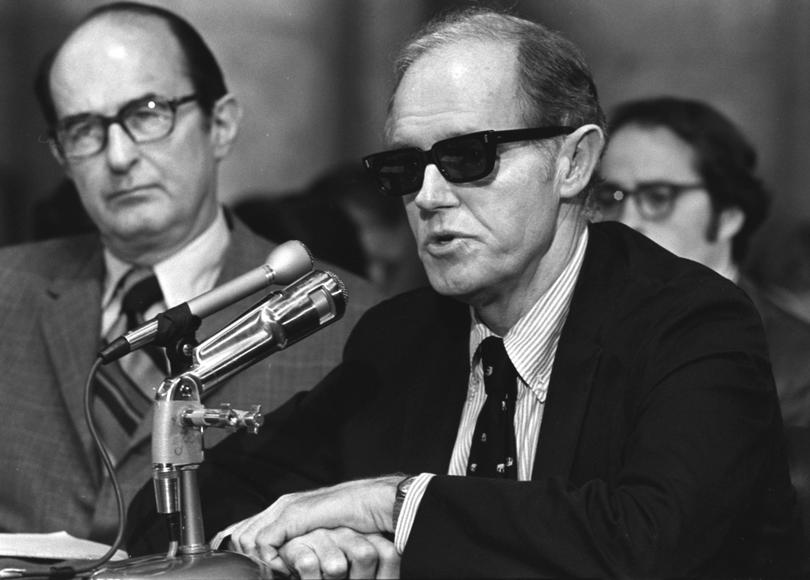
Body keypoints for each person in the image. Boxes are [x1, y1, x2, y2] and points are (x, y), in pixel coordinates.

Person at [126, 8, 803, 578]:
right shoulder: (400, 338)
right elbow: (176, 513)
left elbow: (650, 542)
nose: (427, 197)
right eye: (404, 168)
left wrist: (393, 503)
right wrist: (295, 548)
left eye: (467, 158)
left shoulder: (692, 322)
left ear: (574, 162)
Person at [0, 1, 378, 546]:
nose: (119, 155)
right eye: (83, 129)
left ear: (220, 124)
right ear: (61, 154)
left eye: (147, 113)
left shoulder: (347, 320)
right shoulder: (8, 294)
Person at [597, 96, 810, 537]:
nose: (627, 221)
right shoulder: (575, 330)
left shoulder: (798, 360)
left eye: (659, 197)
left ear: (729, 214)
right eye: (611, 196)